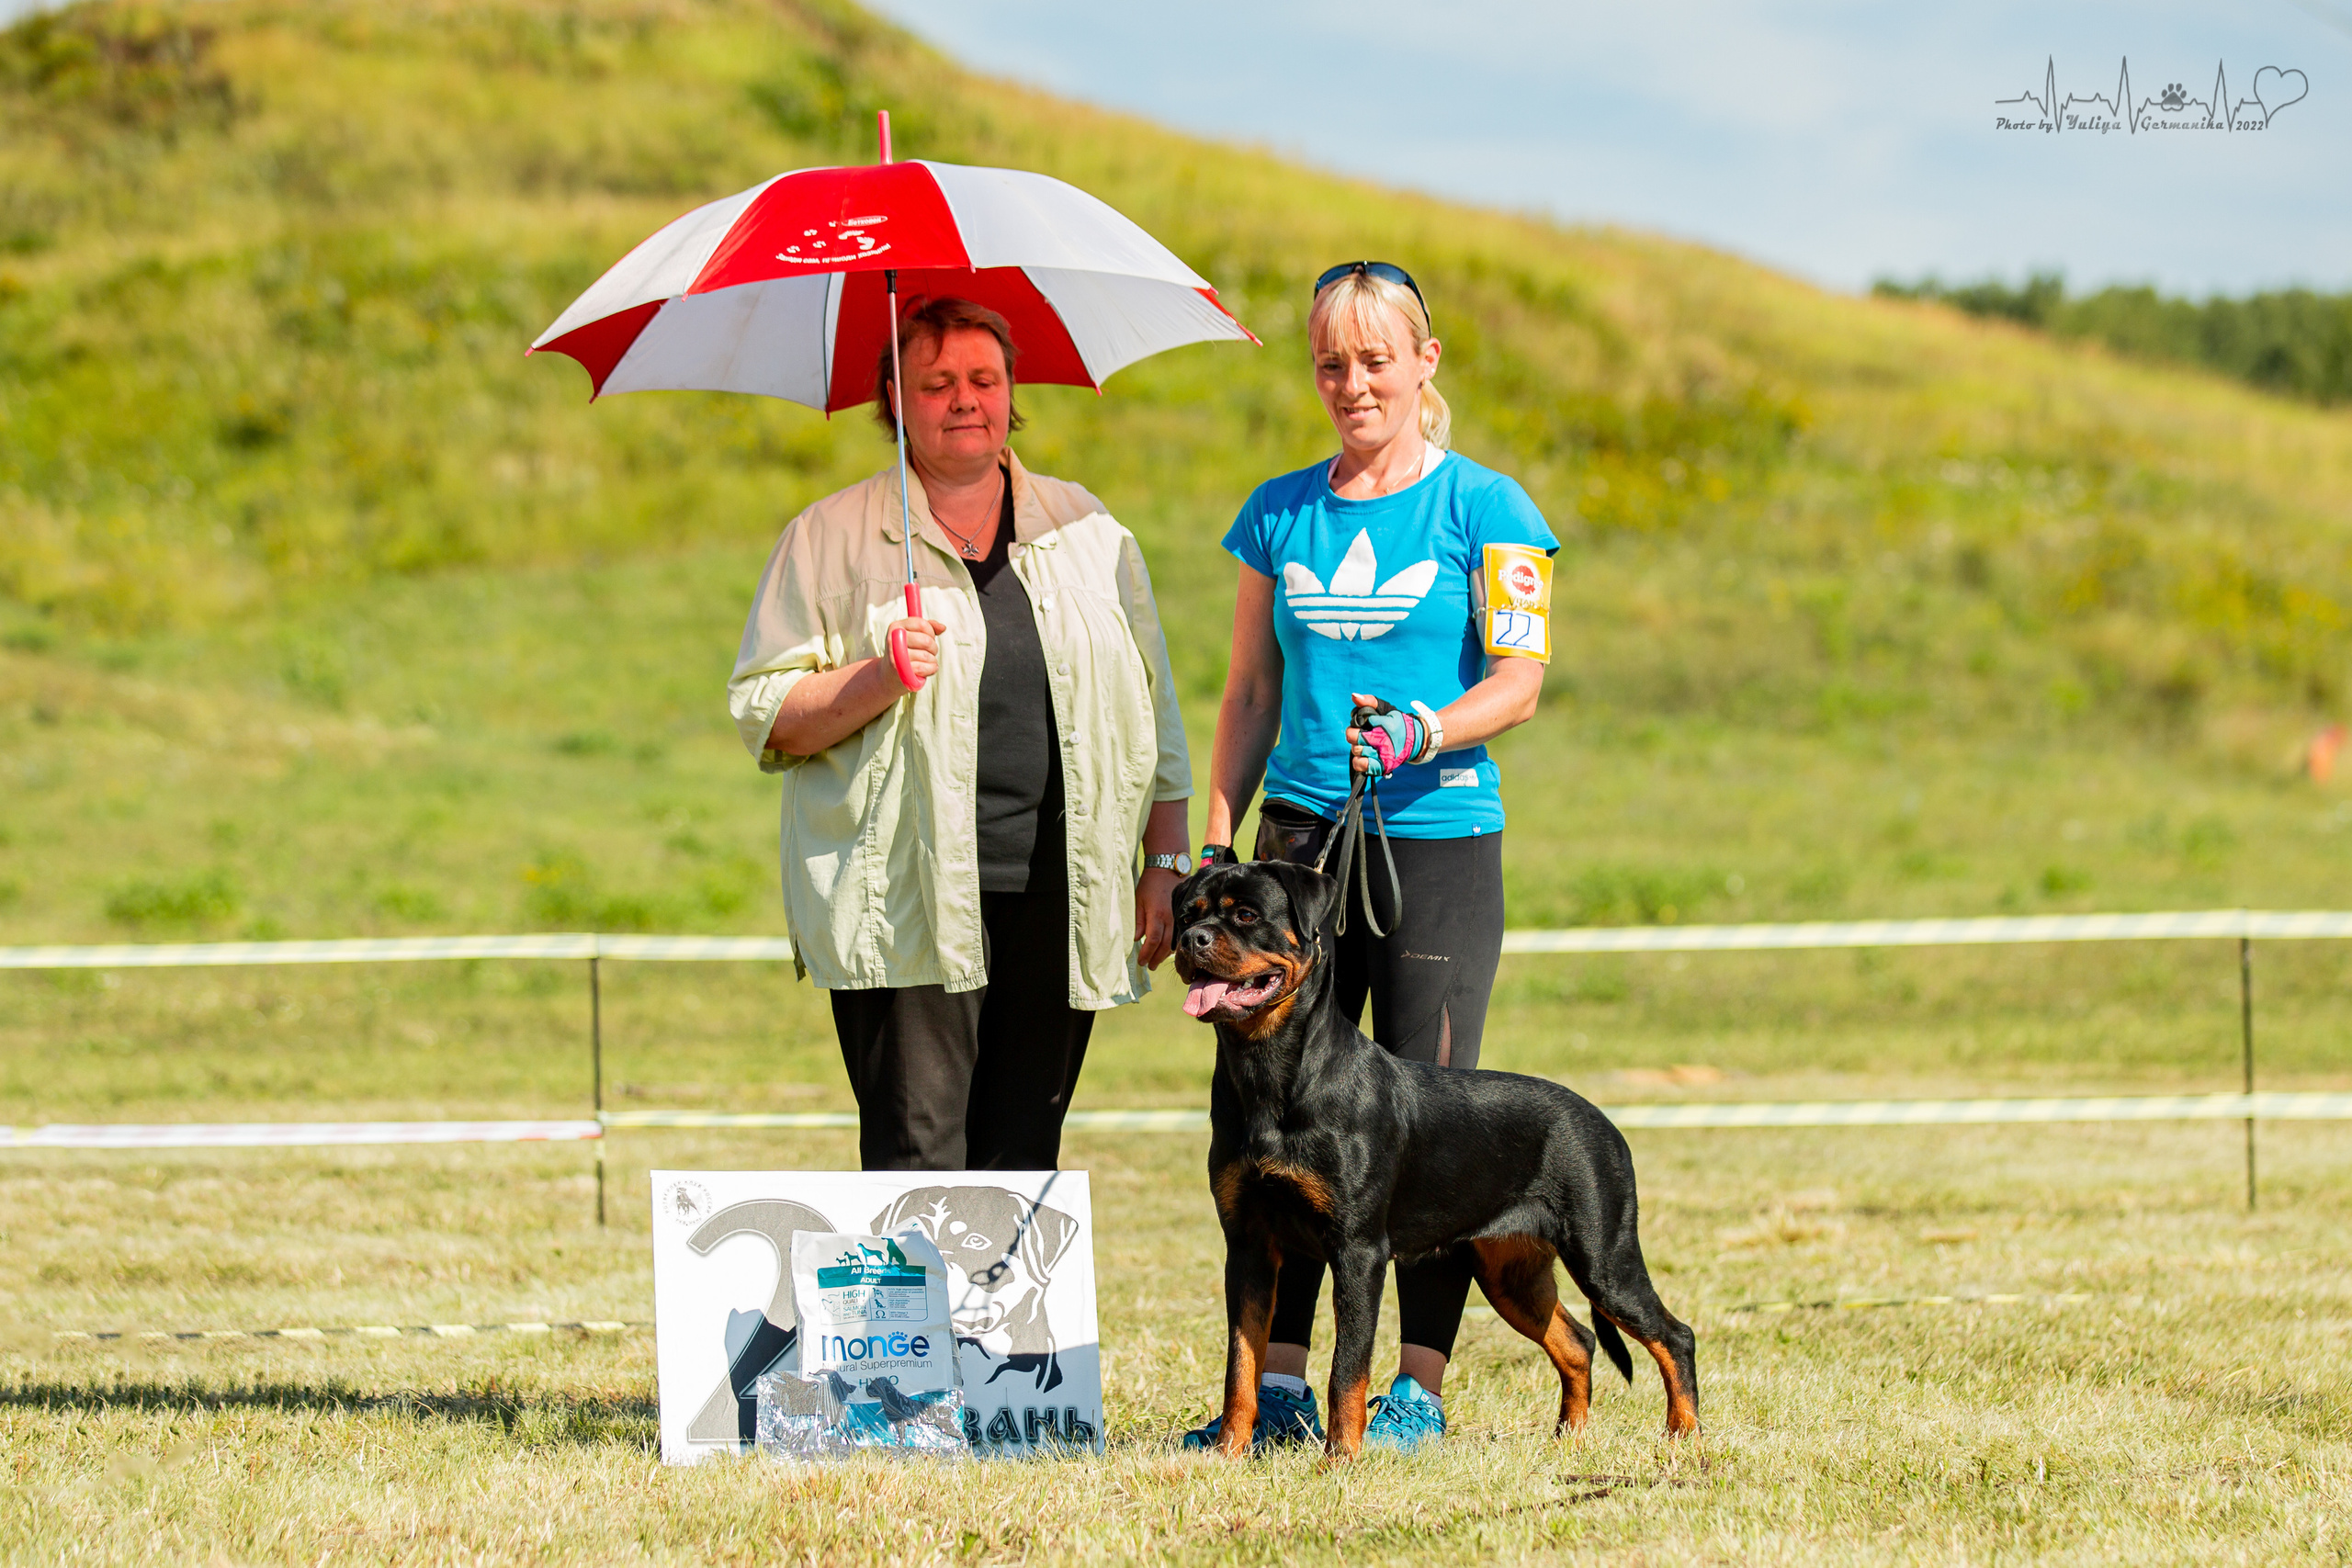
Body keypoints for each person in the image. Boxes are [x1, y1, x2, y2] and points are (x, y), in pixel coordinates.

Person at [1185, 262, 1558, 1453]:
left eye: (1376, 358)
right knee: (1276, 1116)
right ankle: (1278, 1387)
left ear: (1424, 363)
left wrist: (1426, 726)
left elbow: (1522, 682)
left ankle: (1417, 1390)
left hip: (1439, 837)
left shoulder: (1491, 508)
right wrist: (1215, 833)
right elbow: (1250, 686)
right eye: (1332, 362)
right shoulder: (1279, 511)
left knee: (1425, 1111)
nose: (1354, 383)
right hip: (1298, 843)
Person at [728, 297, 1193, 1171]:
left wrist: (1164, 865)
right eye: (936, 382)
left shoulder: (1089, 529)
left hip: (1061, 896)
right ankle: (921, 1317)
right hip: (903, 901)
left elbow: (1154, 710)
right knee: (918, 1157)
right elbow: (766, 715)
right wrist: (877, 676)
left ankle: (994, 1317)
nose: (964, 398)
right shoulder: (827, 538)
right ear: (894, 399)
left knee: (1024, 1153)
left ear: (1012, 391)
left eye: (984, 378)